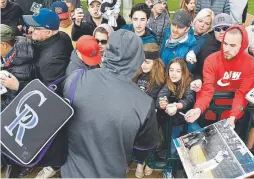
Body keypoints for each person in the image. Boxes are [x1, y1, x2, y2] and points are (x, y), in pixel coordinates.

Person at [61, 29, 159, 178]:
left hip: (71, 172)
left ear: (107, 52)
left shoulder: (75, 79)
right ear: (137, 59)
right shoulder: (144, 103)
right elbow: (143, 148)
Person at [22, 8, 73, 178]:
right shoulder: (62, 36)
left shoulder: (49, 62)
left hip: (53, 107)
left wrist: (17, 85)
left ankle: (54, 165)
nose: (30, 30)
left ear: (49, 32)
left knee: (53, 138)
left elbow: (45, 96)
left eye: (36, 28)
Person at [185, 26, 254, 133]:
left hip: (234, 114)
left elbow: (243, 93)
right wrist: (198, 108)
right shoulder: (212, 60)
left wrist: (233, 116)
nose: (227, 49)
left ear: (242, 45)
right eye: (225, 43)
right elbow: (207, 88)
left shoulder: (252, 64)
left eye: (233, 45)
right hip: (210, 111)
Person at [0, 24, 35, 178]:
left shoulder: (21, 65)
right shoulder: (11, 51)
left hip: (18, 116)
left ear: (3, 44)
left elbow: (16, 103)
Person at [132, 43, 165, 177]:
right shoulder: (137, 73)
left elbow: (155, 98)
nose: (143, 65)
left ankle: (147, 162)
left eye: (147, 62)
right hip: (135, 114)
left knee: (151, 140)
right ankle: (140, 162)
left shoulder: (159, 78)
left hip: (152, 117)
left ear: (155, 63)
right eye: (141, 61)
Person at [191, 13, 232, 91]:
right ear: (213, 30)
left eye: (225, 28)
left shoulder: (237, 43)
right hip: (208, 85)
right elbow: (198, 69)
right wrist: (198, 79)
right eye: (218, 29)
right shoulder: (206, 45)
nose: (221, 32)